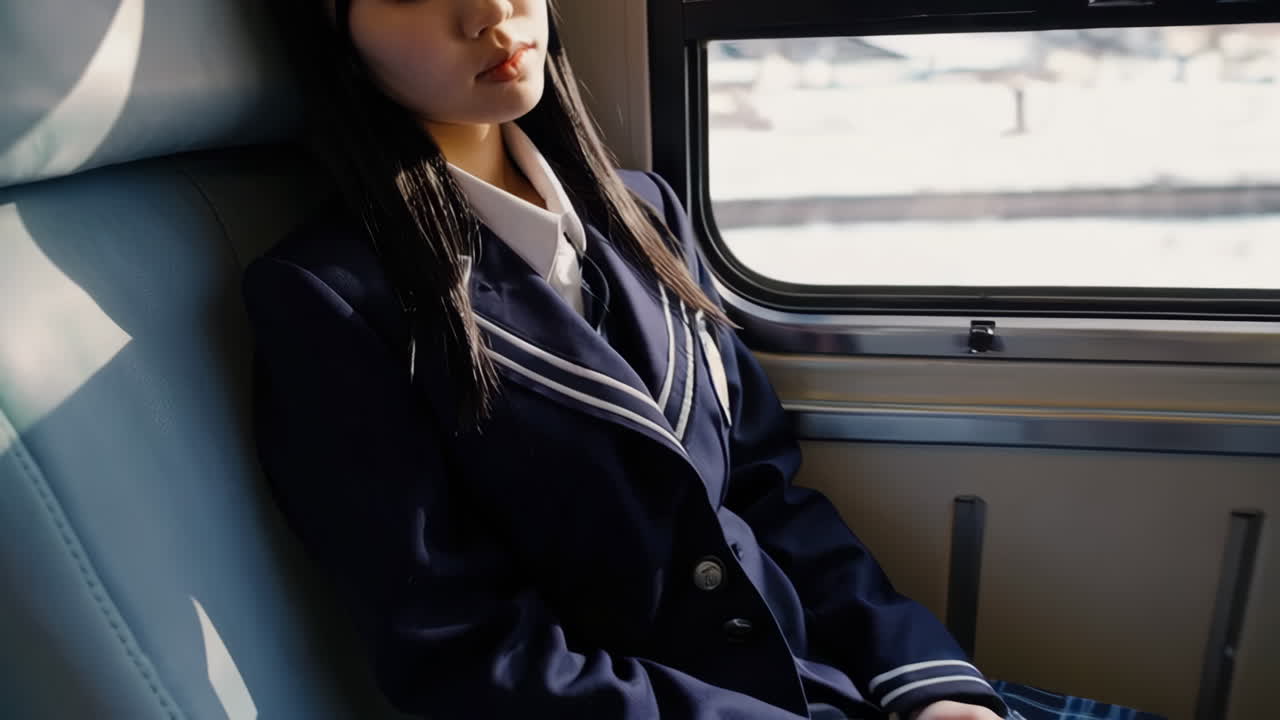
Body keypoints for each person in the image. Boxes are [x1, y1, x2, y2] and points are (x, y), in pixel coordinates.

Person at [243, 1, 1166, 719]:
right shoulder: (332, 297)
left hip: (820, 681)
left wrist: (923, 681)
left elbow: (763, 495)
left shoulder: (643, 216)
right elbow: (462, 650)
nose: (487, 14)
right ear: (334, 33)